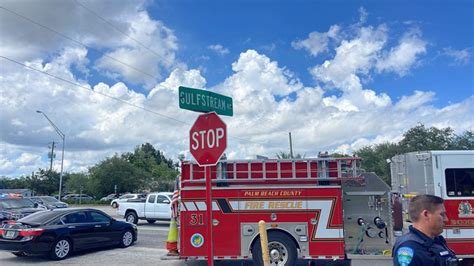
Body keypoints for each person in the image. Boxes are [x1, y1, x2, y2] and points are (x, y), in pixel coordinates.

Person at [393, 194, 460, 266]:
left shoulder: (436, 241)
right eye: (442, 214)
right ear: (426, 214)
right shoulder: (408, 247)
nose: (446, 219)